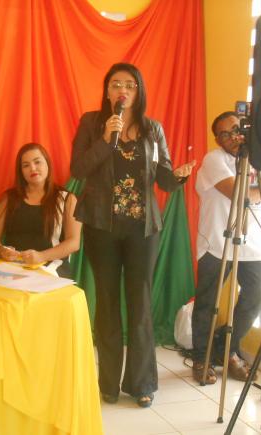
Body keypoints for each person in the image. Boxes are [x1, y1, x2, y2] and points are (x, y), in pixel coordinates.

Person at [70, 63, 195, 408]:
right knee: (107, 303)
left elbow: (164, 179)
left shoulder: (153, 129)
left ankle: (142, 384)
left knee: (140, 305)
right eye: (115, 84)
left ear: (138, 91)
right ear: (107, 91)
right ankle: (108, 383)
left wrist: (179, 176)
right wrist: (106, 139)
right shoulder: (92, 123)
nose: (122, 90)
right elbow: (78, 169)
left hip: (143, 230)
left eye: (129, 85)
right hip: (102, 226)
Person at [191, 111, 261, 385]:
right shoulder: (214, 160)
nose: (233, 137)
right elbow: (240, 194)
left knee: (257, 294)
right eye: (225, 134)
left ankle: (227, 349)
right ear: (217, 140)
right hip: (217, 242)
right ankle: (201, 357)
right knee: (208, 303)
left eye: (236, 129)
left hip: (254, 243)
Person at [0, 143, 81, 278]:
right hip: (12, 266)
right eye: (26, 165)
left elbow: (74, 242)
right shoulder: (8, 198)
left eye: (37, 162)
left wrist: (41, 256)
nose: (32, 168)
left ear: (47, 164)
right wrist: (1, 250)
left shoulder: (67, 199)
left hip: (50, 266)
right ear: (21, 171)